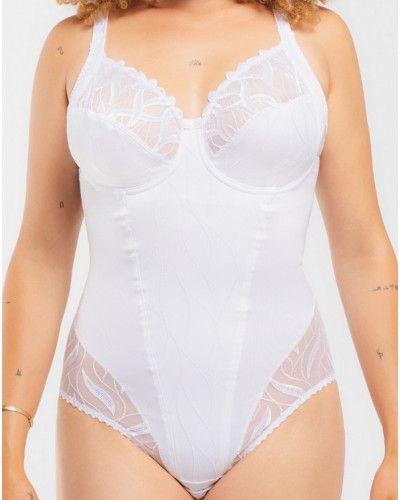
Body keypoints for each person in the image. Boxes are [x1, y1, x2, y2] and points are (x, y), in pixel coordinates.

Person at [2, 1, 397, 499]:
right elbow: (41, 253)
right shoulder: (74, 46)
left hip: (284, 404)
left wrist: (396, 440)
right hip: (109, 410)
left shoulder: (318, 39)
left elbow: (362, 248)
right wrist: (8, 447)